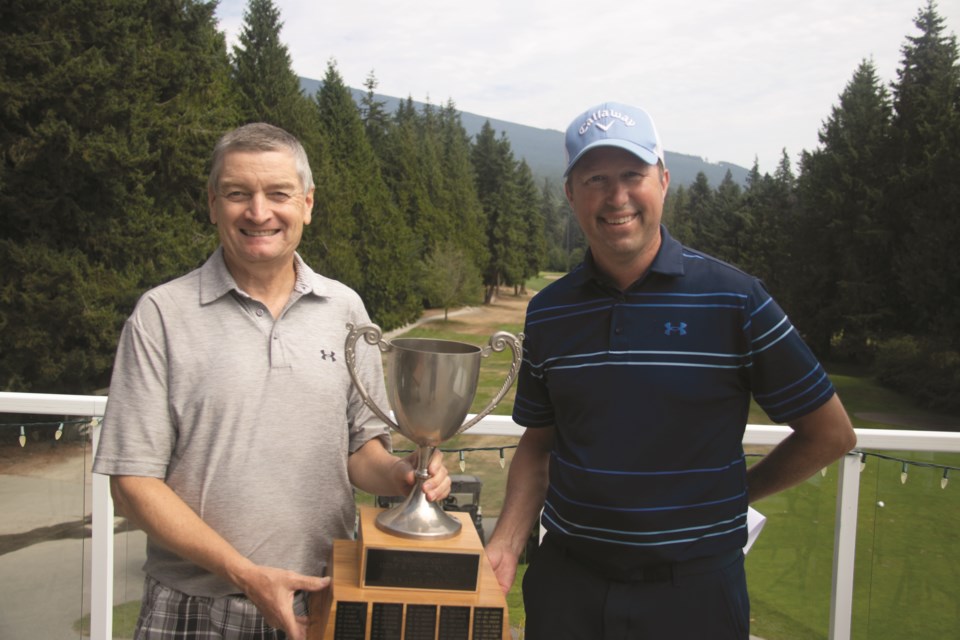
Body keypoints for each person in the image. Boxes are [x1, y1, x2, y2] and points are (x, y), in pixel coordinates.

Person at [484, 102, 857, 639]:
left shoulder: (735, 299)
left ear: (662, 180)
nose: (617, 197)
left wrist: (738, 494)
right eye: (596, 179)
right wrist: (506, 541)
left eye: (633, 175)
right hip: (567, 586)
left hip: (694, 596)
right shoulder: (550, 311)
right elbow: (539, 445)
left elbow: (831, 434)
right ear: (570, 194)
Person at [92, 122, 450, 640]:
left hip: (322, 600)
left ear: (307, 203)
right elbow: (131, 484)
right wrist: (246, 574)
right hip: (193, 607)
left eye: (278, 194)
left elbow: (359, 450)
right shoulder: (161, 315)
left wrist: (402, 474)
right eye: (238, 194)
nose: (259, 212)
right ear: (213, 204)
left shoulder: (346, 310)